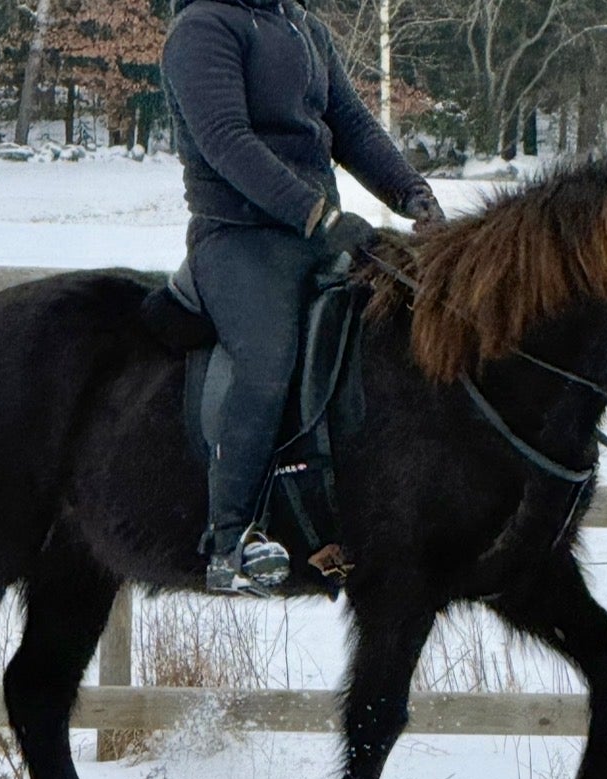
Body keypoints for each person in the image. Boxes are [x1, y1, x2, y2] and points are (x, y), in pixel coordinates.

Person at [163, 0, 445, 594]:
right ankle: (230, 539)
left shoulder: (305, 26)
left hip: (312, 233)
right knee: (266, 362)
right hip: (239, 237)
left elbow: (353, 127)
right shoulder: (203, 26)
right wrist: (315, 214)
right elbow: (225, 140)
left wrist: (413, 196)